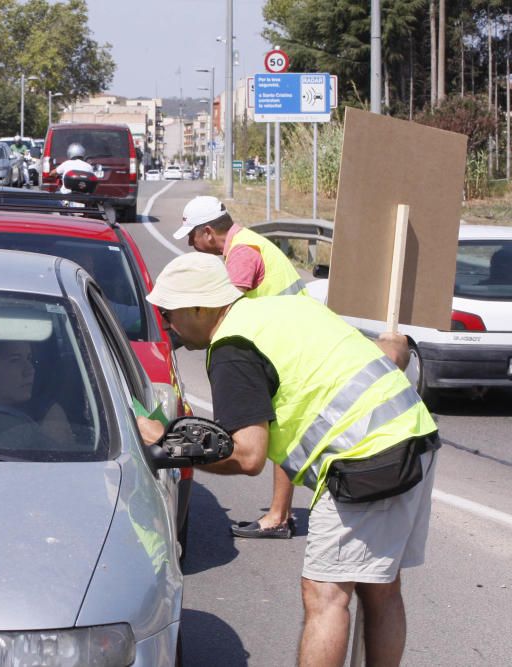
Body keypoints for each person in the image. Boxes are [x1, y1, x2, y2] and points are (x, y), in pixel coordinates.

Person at [139, 253, 438, 667]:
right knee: (381, 586)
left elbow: (247, 455)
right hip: (413, 432)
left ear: (199, 307)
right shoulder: (282, 306)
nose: (167, 323)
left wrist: (167, 444)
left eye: (169, 312)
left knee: (326, 595)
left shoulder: (233, 347)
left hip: (366, 460)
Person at [173, 195, 305, 539]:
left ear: (206, 232)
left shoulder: (243, 253)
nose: (190, 244)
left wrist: (181, 332)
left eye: (191, 236)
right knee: (283, 428)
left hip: (284, 344)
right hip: (287, 337)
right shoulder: (246, 244)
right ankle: (281, 513)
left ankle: (278, 517)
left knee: (282, 428)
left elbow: (224, 311)